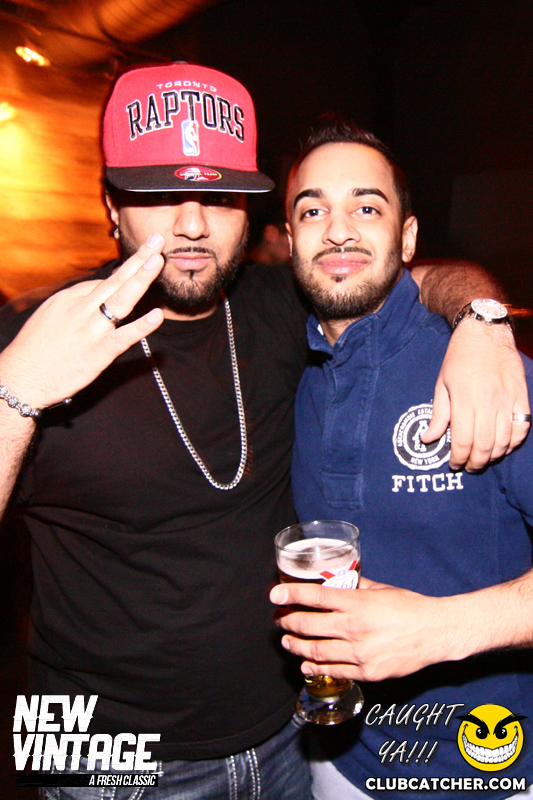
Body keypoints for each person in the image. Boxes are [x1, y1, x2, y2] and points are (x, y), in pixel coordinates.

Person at [0, 63, 527, 800]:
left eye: (218, 196)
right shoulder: (29, 339)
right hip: (109, 763)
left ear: (250, 215)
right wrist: (15, 394)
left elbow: (407, 275)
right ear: (111, 205)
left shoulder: (283, 307)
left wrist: (483, 321)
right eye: (158, 193)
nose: (191, 224)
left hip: (290, 739)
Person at [270, 120, 533, 799]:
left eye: (366, 207)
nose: (338, 231)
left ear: (407, 237)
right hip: (338, 761)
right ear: (289, 240)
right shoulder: (289, 370)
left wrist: (442, 630)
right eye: (313, 211)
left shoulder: (486, 375)